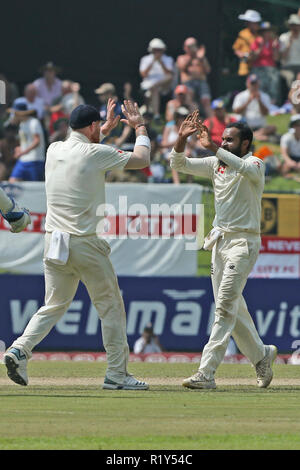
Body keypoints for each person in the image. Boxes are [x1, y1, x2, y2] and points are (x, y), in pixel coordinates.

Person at [4, 99, 150, 391]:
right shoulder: (96, 153)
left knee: (54, 305)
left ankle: (19, 350)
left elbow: (85, 148)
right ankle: (117, 375)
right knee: (111, 308)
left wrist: (104, 128)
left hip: (53, 243)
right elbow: (142, 158)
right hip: (85, 244)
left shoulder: (53, 149)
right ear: (93, 126)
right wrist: (140, 127)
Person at [170, 111, 277, 390]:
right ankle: (261, 355)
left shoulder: (255, 163)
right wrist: (181, 139)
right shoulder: (216, 163)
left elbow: (246, 170)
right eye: (222, 139)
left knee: (225, 308)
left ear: (245, 144)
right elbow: (177, 163)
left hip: (243, 244)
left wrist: (214, 148)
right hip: (219, 242)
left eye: (230, 140)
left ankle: (206, 373)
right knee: (231, 307)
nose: (224, 143)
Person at [9, 100, 46, 182]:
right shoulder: (22, 124)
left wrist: (23, 152)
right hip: (23, 160)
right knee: (13, 180)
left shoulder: (34, 122)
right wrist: (19, 149)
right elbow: (25, 142)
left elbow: (37, 141)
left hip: (35, 160)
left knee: (35, 186)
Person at [232, 74, 277, 141]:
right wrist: (248, 102)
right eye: (252, 83)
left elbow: (265, 113)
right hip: (246, 126)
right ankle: (257, 136)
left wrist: (259, 101)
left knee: (273, 127)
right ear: (247, 84)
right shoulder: (240, 96)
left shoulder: (264, 96)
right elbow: (236, 111)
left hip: (261, 127)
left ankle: (254, 135)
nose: (254, 86)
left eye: (255, 83)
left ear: (258, 84)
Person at [139, 38, 174, 120]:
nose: (157, 52)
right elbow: (143, 74)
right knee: (154, 89)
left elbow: (169, 74)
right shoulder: (145, 59)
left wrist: (161, 62)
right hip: (148, 85)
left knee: (168, 78)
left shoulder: (168, 59)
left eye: (159, 50)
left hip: (164, 85)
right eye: (155, 50)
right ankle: (155, 114)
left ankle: (152, 111)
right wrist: (153, 62)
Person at [176, 37, 211, 117]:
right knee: (190, 100)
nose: (191, 48)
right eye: (189, 46)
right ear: (185, 48)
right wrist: (192, 56)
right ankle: (193, 123)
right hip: (188, 83)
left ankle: (211, 124)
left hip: (201, 82)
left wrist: (201, 59)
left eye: (193, 46)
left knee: (206, 100)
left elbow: (207, 70)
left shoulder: (201, 58)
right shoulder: (181, 58)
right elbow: (183, 68)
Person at [250, 22, 281, 104]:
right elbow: (253, 58)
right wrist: (260, 46)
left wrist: (274, 48)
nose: (267, 33)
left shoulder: (274, 42)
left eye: (269, 31)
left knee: (273, 85)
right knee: (259, 86)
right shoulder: (256, 41)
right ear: (262, 32)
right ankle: (260, 103)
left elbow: (276, 59)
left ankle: (272, 104)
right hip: (258, 67)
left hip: (271, 67)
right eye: (265, 31)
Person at [232, 10, 262, 78]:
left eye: (249, 22)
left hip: (259, 68)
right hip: (245, 69)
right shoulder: (243, 33)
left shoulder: (261, 35)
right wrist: (244, 55)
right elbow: (236, 50)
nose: (247, 23)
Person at [279, 14, 300, 89]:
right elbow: (282, 57)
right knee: (290, 77)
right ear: (290, 26)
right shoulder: (284, 37)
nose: (295, 27)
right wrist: (289, 43)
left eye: (297, 25)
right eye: (293, 25)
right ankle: (291, 99)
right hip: (287, 67)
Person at [280, 114, 300, 178]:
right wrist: (289, 161)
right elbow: (284, 153)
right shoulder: (286, 137)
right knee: (285, 168)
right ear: (293, 126)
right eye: (297, 125)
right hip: (290, 157)